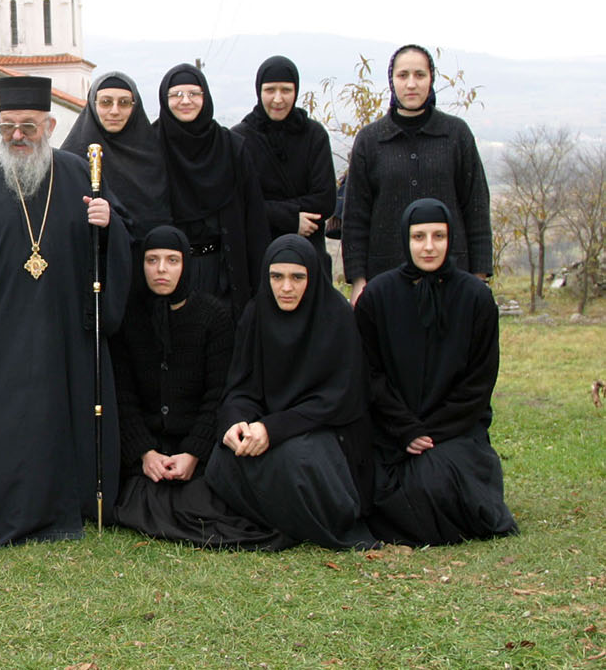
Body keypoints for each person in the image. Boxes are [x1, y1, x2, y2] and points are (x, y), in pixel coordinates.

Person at [0, 75, 131, 546]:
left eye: (29, 127)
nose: (17, 135)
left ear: (50, 127)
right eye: (8, 127)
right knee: (5, 423)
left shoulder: (79, 175)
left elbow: (115, 249)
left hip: (66, 326)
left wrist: (109, 226)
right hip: (1, 328)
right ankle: (4, 509)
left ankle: (69, 506)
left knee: (63, 415)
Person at [111, 226, 284, 549]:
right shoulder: (129, 317)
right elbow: (123, 394)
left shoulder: (213, 316)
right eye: (152, 260)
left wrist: (193, 452)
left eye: (172, 260)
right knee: (139, 502)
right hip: (148, 450)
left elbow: (218, 394)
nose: (161, 269)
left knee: (202, 504)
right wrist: (145, 452)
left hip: (196, 450)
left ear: (186, 264)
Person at [357, 198, 518, 545]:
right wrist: (405, 429)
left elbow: (478, 383)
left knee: (437, 483)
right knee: (374, 489)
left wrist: (430, 432)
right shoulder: (377, 297)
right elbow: (369, 374)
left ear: (450, 239)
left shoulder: (476, 298)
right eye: (419, 237)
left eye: (438, 236)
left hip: (455, 431)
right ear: (405, 239)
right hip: (391, 431)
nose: (429, 247)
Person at [206, 235, 377, 550]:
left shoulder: (336, 316)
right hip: (267, 424)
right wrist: (236, 421)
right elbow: (241, 385)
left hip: (324, 429)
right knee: (225, 457)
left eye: (297, 277)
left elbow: (338, 398)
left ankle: (308, 519)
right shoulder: (257, 313)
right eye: (277, 277)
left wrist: (273, 429)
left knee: (295, 460)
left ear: (312, 277)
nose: (286, 287)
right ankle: (288, 517)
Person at [343, 43, 492, 305]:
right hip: (385, 279)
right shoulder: (370, 140)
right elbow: (355, 217)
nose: (411, 84)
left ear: (431, 79)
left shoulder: (456, 135)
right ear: (391, 80)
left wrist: (479, 279)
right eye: (403, 75)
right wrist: (358, 281)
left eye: (419, 75)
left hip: (453, 279)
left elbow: (476, 209)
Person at [153, 63, 269, 319]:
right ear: (164, 99)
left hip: (223, 272)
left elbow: (254, 221)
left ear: (205, 97)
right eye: (177, 94)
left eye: (194, 94)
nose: (186, 101)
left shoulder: (232, 147)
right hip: (167, 275)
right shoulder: (151, 147)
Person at [231, 56, 336, 275]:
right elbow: (237, 203)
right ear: (259, 91)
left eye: (286, 90)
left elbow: (325, 200)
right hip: (257, 255)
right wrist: (291, 219)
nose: (278, 99)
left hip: (308, 253)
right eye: (270, 90)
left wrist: (266, 208)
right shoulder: (240, 139)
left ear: (296, 91)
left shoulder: (314, 135)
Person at [60, 71, 171, 239]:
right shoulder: (73, 157)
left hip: (148, 250)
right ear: (93, 104)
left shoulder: (153, 153)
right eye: (106, 102)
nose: (114, 111)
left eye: (124, 103)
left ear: (135, 106)